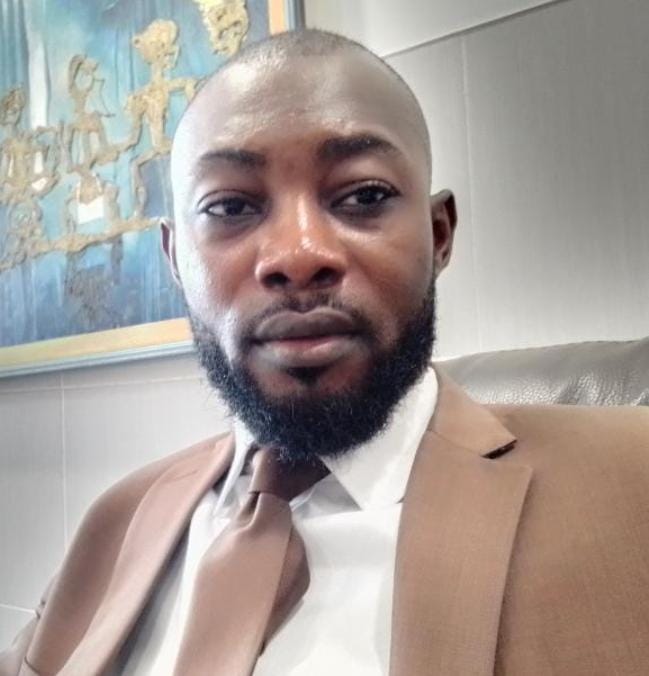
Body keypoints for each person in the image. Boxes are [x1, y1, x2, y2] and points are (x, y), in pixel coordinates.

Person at [2, 29, 649, 676]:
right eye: (230, 205)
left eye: (363, 196)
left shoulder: (631, 485)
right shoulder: (118, 517)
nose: (297, 254)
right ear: (175, 259)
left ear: (438, 235)